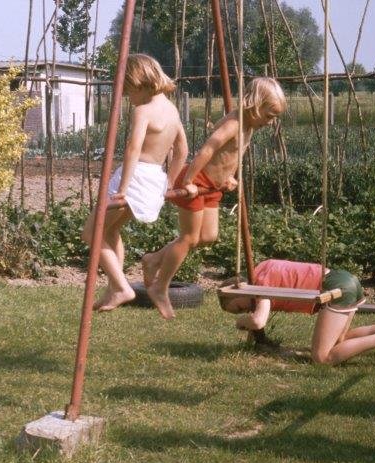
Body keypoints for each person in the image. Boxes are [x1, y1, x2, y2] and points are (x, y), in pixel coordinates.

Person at [142, 77, 287, 319]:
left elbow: (230, 155)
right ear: (256, 105)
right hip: (197, 181)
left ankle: (154, 259)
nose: (271, 121)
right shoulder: (234, 123)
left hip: (212, 185)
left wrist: (228, 176)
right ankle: (160, 286)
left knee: (208, 236)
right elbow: (208, 149)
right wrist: (188, 180)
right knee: (189, 238)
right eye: (269, 115)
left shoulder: (249, 126)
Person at [81, 53, 188, 312]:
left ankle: (121, 287)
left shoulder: (143, 111)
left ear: (141, 83)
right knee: (110, 231)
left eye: (129, 91)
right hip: (154, 179)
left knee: (91, 233)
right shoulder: (172, 111)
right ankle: (113, 289)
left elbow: (133, 149)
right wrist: (169, 184)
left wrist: (122, 189)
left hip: (134, 178)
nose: (128, 98)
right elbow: (182, 150)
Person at [219, 259, 375, 366]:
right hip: (344, 279)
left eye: (239, 307)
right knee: (339, 341)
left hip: (335, 289)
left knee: (322, 357)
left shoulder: (259, 285)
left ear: (239, 289)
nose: (245, 309)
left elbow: (258, 321)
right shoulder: (262, 268)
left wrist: (242, 321)